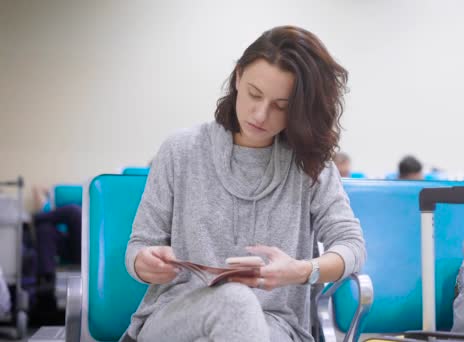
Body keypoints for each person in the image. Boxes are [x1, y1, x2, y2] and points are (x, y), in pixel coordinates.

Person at [123, 26, 366, 342]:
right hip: (178, 318)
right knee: (235, 300)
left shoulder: (311, 165)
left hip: (273, 326)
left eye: (281, 106)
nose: (261, 114)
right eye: (254, 94)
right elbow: (139, 246)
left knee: (240, 307)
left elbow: (352, 247)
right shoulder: (181, 150)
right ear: (238, 78)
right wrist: (144, 264)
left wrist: (302, 271)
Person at [31, 186, 81, 288]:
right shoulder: (52, 208)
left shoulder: (96, 205)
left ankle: (35, 218)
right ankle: (46, 282)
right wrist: (43, 194)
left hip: (87, 248)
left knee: (74, 211)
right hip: (70, 247)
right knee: (44, 229)